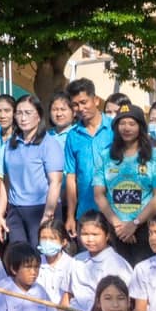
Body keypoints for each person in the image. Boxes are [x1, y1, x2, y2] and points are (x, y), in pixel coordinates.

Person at [94, 109, 156, 264]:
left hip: (144, 228)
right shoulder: (105, 156)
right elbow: (99, 194)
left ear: (140, 127)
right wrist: (118, 225)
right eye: (122, 123)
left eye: (132, 124)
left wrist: (134, 224)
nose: (127, 128)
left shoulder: (155, 159)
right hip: (114, 228)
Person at [0, 94, 63, 252]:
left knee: (42, 255)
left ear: (39, 116)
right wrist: (0, 213)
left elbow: (56, 182)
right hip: (15, 209)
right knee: (18, 256)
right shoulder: (10, 145)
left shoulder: (49, 144)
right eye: (19, 113)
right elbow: (6, 181)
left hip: (41, 208)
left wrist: (48, 214)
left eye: (28, 113)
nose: (23, 118)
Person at [61, 79, 114, 241]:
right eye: (75, 105)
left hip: (116, 212)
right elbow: (71, 177)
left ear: (96, 100)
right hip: (85, 211)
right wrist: (70, 215)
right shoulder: (73, 135)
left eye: (84, 102)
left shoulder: (115, 128)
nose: (80, 108)